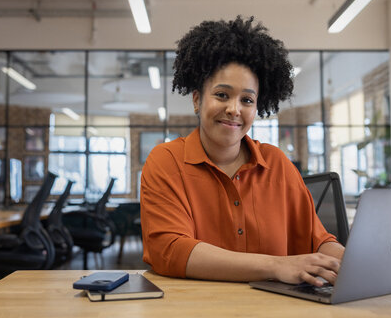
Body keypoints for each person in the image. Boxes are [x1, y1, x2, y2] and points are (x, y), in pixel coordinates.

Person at [140, 16, 344, 287]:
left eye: (247, 100)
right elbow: (170, 249)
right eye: (222, 95)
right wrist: (275, 265)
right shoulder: (166, 161)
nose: (234, 109)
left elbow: (318, 241)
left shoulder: (277, 163)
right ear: (197, 100)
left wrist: (356, 263)